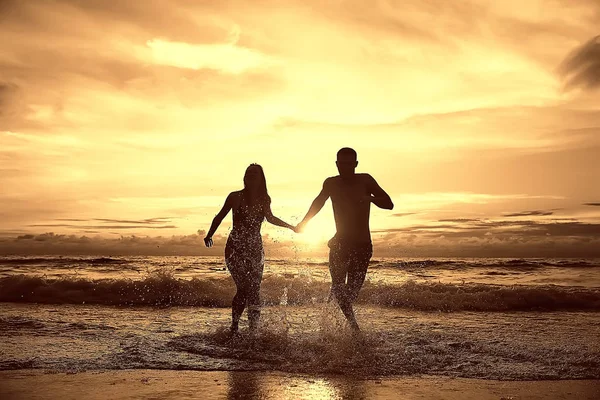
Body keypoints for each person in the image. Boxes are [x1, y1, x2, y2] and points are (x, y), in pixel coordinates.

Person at [296, 148, 393, 331]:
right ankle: (353, 327)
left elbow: (389, 203)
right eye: (341, 163)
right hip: (339, 243)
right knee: (339, 288)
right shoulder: (331, 183)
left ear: (355, 164)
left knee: (352, 292)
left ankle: (338, 320)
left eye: (349, 163)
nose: (345, 167)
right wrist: (304, 222)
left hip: (362, 245)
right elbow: (319, 202)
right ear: (336, 164)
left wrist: (369, 198)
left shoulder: (365, 180)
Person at [204, 163, 297, 334]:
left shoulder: (264, 199)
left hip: (255, 248)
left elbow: (270, 218)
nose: (250, 176)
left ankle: (253, 331)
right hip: (235, 247)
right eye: (248, 173)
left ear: (261, 178)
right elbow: (220, 216)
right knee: (243, 288)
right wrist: (209, 235)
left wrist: (291, 226)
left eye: (254, 174)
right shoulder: (235, 196)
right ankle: (234, 326)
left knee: (254, 289)